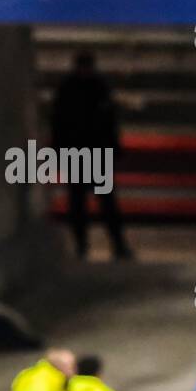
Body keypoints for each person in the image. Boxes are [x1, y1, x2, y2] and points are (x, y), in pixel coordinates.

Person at [51, 51, 131, 260]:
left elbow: (59, 123)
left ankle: (105, 245)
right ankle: (91, 246)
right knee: (88, 204)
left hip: (86, 153)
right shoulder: (95, 87)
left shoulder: (73, 88)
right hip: (87, 153)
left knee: (96, 204)